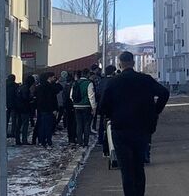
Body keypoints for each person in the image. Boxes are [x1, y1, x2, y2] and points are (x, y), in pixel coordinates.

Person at [100, 51, 169, 196]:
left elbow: (103, 107)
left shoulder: (114, 82)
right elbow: (164, 93)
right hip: (142, 129)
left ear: (120, 64)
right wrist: (155, 111)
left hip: (121, 129)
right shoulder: (145, 79)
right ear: (133, 63)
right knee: (139, 167)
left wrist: (112, 114)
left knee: (126, 170)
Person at [72, 69, 96, 147]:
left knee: (79, 124)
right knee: (86, 124)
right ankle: (85, 142)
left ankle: (79, 141)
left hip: (76, 106)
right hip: (86, 106)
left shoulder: (75, 83)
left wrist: (75, 102)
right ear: (88, 74)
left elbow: (71, 95)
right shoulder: (89, 83)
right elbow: (91, 96)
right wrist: (93, 107)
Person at [97, 64, 117, 157]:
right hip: (113, 108)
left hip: (102, 107)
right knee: (112, 127)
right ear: (113, 72)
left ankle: (101, 141)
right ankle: (112, 146)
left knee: (103, 126)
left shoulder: (101, 81)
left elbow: (97, 93)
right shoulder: (114, 81)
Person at [36, 72, 60, 147]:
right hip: (49, 109)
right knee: (48, 126)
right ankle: (48, 141)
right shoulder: (50, 87)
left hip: (41, 108)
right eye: (53, 77)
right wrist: (54, 109)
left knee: (42, 125)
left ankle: (41, 140)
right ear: (49, 77)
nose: (54, 78)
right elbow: (52, 98)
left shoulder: (39, 86)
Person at [15, 75, 35, 145]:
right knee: (25, 125)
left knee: (18, 125)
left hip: (18, 108)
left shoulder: (20, 87)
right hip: (25, 108)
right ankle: (24, 140)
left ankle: (17, 140)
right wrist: (32, 99)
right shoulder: (26, 88)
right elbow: (25, 98)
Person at [63, 72, 77, 144]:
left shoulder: (65, 86)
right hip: (73, 105)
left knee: (69, 123)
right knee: (74, 123)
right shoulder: (73, 86)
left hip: (67, 106)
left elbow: (64, 97)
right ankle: (73, 137)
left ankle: (70, 138)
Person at [6, 74, 19, 138]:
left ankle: (5, 131)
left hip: (6, 104)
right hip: (14, 104)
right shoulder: (16, 85)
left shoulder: (5, 85)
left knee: (6, 119)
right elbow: (17, 95)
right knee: (14, 119)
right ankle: (13, 132)